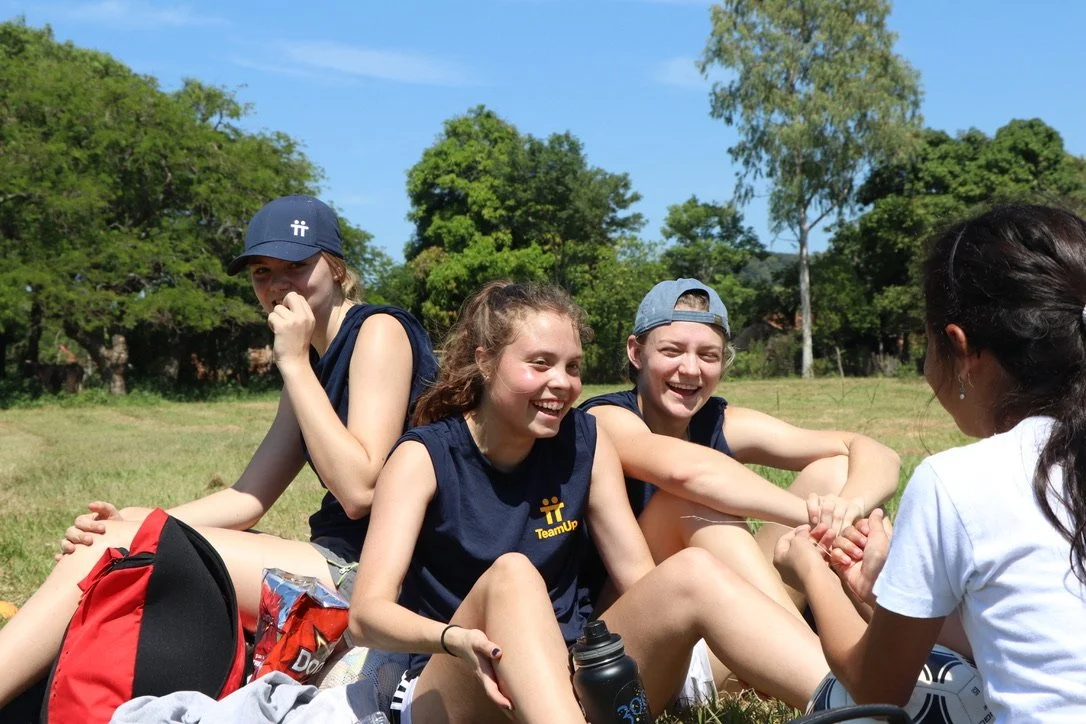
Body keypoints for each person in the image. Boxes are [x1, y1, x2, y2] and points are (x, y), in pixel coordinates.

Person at [0, 195, 438, 708]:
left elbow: (362, 489)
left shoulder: (377, 332)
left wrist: (294, 365)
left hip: (373, 574)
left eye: (297, 265)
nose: (278, 285)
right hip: (334, 560)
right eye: (261, 272)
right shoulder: (311, 362)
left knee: (110, 550)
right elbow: (249, 497)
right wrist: (138, 521)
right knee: (115, 538)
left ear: (336, 267)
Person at [349, 280, 830, 723]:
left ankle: (852, 701)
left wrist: (712, 639)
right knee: (513, 577)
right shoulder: (423, 457)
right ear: (485, 360)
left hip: (572, 670)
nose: (562, 383)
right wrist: (454, 639)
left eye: (572, 366)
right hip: (462, 679)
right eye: (540, 363)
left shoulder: (586, 439)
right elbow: (367, 615)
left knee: (691, 572)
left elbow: (641, 580)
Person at [774, 204, 1086, 721]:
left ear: (961, 349)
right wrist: (886, 588)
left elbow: (878, 686)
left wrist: (813, 572)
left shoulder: (958, 481)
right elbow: (1031, 632)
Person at [579, 278, 900, 615]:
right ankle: (811, 659)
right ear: (636, 352)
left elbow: (873, 452)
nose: (690, 369)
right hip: (636, 624)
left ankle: (894, 650)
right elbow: (688, 472)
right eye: (671, 351)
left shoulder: (719, 421)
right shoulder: (605, 418)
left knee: (833, 473)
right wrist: (821, 520)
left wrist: (848, 508)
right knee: (688, 502)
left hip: (725, 610)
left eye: (708, 355)